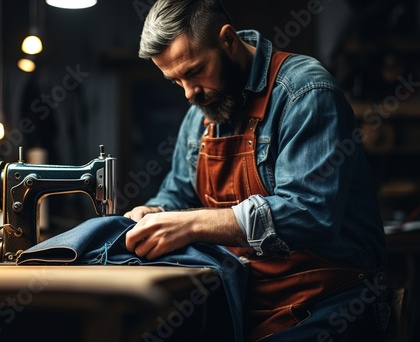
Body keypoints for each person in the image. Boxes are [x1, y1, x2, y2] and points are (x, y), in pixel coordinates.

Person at [123, 0, 387, 340]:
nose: (190, 93)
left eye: (193, 71)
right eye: (175, 81)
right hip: (245, 296)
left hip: (330, 298)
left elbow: (309, 213)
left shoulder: (305, 93)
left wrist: (190, 224)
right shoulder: (201, 113)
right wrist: (154, 211)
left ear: (228, 40)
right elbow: (177, 194)